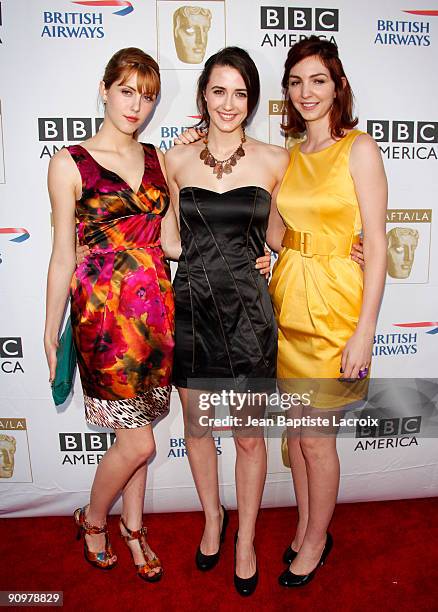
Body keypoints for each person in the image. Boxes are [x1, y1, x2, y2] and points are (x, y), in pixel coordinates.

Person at [44, 47, 180, 581]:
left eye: (147, 96)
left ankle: (134, 527)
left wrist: (250, 248)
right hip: (103, 322)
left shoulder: (158, 159)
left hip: (156, 319)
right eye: (127, 91)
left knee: (139, 433)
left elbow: (171, 244)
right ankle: (94, 518)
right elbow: (61, 255)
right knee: (139, 441)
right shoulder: (68, 163)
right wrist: (49, 325)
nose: (137, 106)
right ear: (105, 90)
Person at [165, 46, 290, 596]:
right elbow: (168, 239)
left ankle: (246, 539)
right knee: (197, 430)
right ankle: (213, 519)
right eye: (219, 90)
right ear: (202, 96)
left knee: (247, 438)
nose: (229, 103)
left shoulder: (275, 161)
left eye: (241, 93)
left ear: (252, 101)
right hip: (191, 308)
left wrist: (342, 248)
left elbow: (286, 236)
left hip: (248, 316)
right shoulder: (174, 161)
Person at [267, 36, 387, 587]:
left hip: (337, 310)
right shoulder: (291, 156)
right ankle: (303, 525)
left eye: (317, 80)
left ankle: (317, 539)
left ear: (338, 85)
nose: (305, 92)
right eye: (296, 82)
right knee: (296, 439)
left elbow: (379, 245)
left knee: (316, 439)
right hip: (288, 304)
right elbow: (278, 230)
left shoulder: (359, 148)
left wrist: (366, 332)